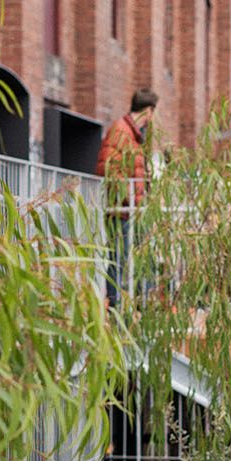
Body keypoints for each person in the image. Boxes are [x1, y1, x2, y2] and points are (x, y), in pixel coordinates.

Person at [97, 88, 157, 304]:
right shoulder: (121, 132)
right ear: (149, 111)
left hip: (131, 209)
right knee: (118, 258)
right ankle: (117, 305)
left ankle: (141, 300)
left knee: (139, 253)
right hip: (123, 210)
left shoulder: (132, 134)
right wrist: (128, 198)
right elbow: (109, 168)